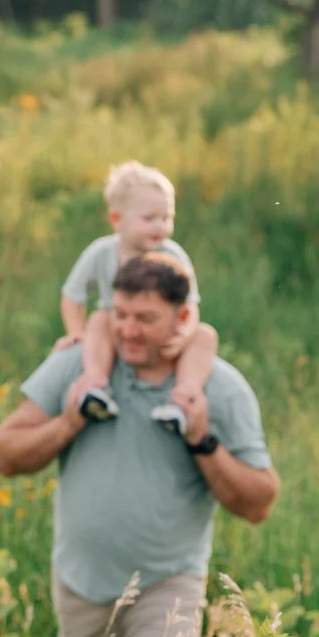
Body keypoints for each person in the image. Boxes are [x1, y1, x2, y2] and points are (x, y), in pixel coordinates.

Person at [0, 253, 278, 637]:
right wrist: (71, 420)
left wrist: (202, 439)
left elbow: (260, 501)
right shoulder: (82, 365)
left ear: (183, 320)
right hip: (81, 580)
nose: (127, 329)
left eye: (145, 318)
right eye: (119, 313)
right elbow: (6, 453)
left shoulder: (220, 387)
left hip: (167, 581)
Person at [60, 161, 218, 436]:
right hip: (116, 330)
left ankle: (182, 401)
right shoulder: (102, 252)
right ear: (117, 220)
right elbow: (72, 295)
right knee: (99, 318)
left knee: (205, 336)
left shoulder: (173, 255)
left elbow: (190, 304)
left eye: (166, 218)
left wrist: (185, 333)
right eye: (149, 219)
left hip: (163, 334)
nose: (160, 226)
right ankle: (95, 387)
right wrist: (76, 332)